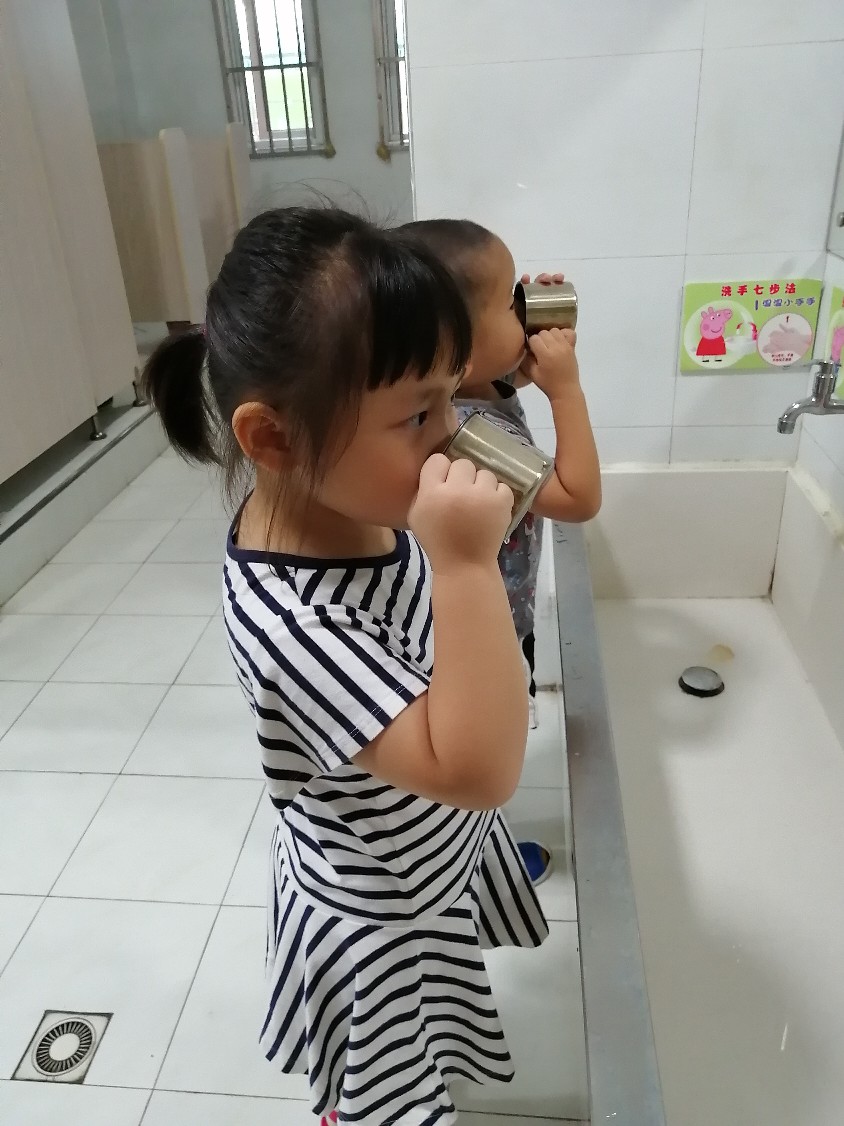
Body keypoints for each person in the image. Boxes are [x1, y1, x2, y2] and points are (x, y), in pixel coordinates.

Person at [143, 206, 549, 1126]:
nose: (451, 434)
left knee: (432, 1053)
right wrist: (465, 565)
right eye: (418, 414)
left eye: (451, 397)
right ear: (275, 440)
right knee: (391, 1095)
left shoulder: (349, 496)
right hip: (380, 914)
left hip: (419, 847)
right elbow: (478, 771)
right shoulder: (297, 623)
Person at [397, 219, 602, 886]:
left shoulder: (465, 392)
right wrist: (566, 388)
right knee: (482, 740)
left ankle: (479, 851)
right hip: (478, 623)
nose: (524, 308)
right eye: (508, 303)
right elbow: (577, 497)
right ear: (455, 350)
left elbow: (498, 370)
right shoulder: (468, 428)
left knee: (480, 742)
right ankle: (477, 866)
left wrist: (533, 325)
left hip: (487, 608)